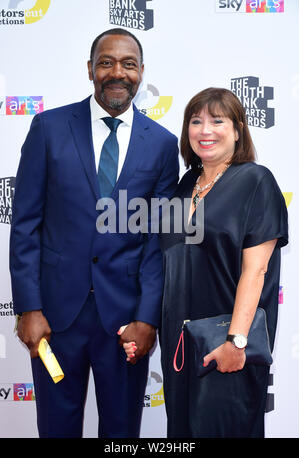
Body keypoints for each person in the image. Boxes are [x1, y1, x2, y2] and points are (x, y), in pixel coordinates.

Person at [9, 28, 179, 438]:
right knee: (56, 428)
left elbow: (159, 240)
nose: (117, 72)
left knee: (121, 432)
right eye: (106, 62)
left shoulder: (161, 144)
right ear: (90, 70)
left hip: (125, 323)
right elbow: (26, 223)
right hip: (54, 318)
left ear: (141, 73)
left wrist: (146, 317)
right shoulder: (48, 128)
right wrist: (28, 307)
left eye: (128, 64)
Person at [124, 88, 288, 437]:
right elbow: (166, 262)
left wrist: (236, 342)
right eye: (195, 121)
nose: (204, 130)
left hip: (227, 345)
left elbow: (256, 270)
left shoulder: (256, 182)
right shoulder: (185, 186)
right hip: (180, 344)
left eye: (217, 120)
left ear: (238, 129)